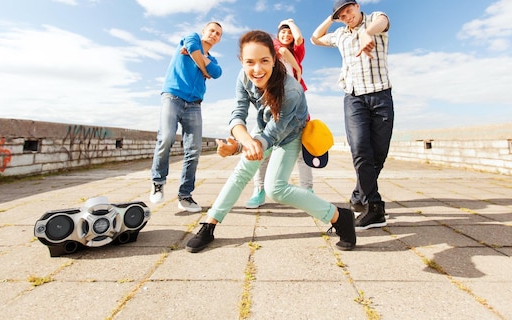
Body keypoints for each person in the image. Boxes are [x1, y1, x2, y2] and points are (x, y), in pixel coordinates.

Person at [185, 30, 356, 253]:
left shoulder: (291, 90)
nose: (257, 69)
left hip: (290, 133)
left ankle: (339, 216)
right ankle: (209, 225)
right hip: (265, 126)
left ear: (275, 60)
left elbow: (273, 135)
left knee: (276, 189)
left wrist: (242, 146)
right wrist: (241, 142)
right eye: (250, 62)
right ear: (242, 61)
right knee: (241, 173)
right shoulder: (244, 76)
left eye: (264, 61)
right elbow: (238, 113)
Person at [310, 0, 394, 230]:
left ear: (357, 7)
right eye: (342, 15)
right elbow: (315, 38)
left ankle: (359, 196)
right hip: (354, 97)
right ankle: (374, 208)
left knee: (378, 155)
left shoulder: (374, 19)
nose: (347, 16)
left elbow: (384, 20)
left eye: (349, 11)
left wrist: (368, 33)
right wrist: (331, 18)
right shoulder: (340, 35)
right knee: (359, 149)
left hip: (381, 95)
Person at [149, 22, 223, 213]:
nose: (214, 35)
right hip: (172, 96)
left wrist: (203, 62)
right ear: (204, 32)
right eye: (212, 31)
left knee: (194, 150)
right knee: (166, 138)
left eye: (218, 34)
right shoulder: (191, 37)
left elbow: (217, 73)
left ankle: (185, 195)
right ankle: (158, 182)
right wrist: (204, 68)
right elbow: (192, 48)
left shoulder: (212, 59)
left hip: (194, 105)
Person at [245, 19, 314, 209]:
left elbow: (298, 38)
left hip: (297, 106)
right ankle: (259, 191)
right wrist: (298, 68)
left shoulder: (297, 52)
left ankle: (308, 192)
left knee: (302, 153)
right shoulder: (273, 47)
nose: (286, 35)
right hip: (274, 104)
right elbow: (282, 51)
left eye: (288, 33)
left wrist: (291, 23)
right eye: (283, 32)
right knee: (263, 150)